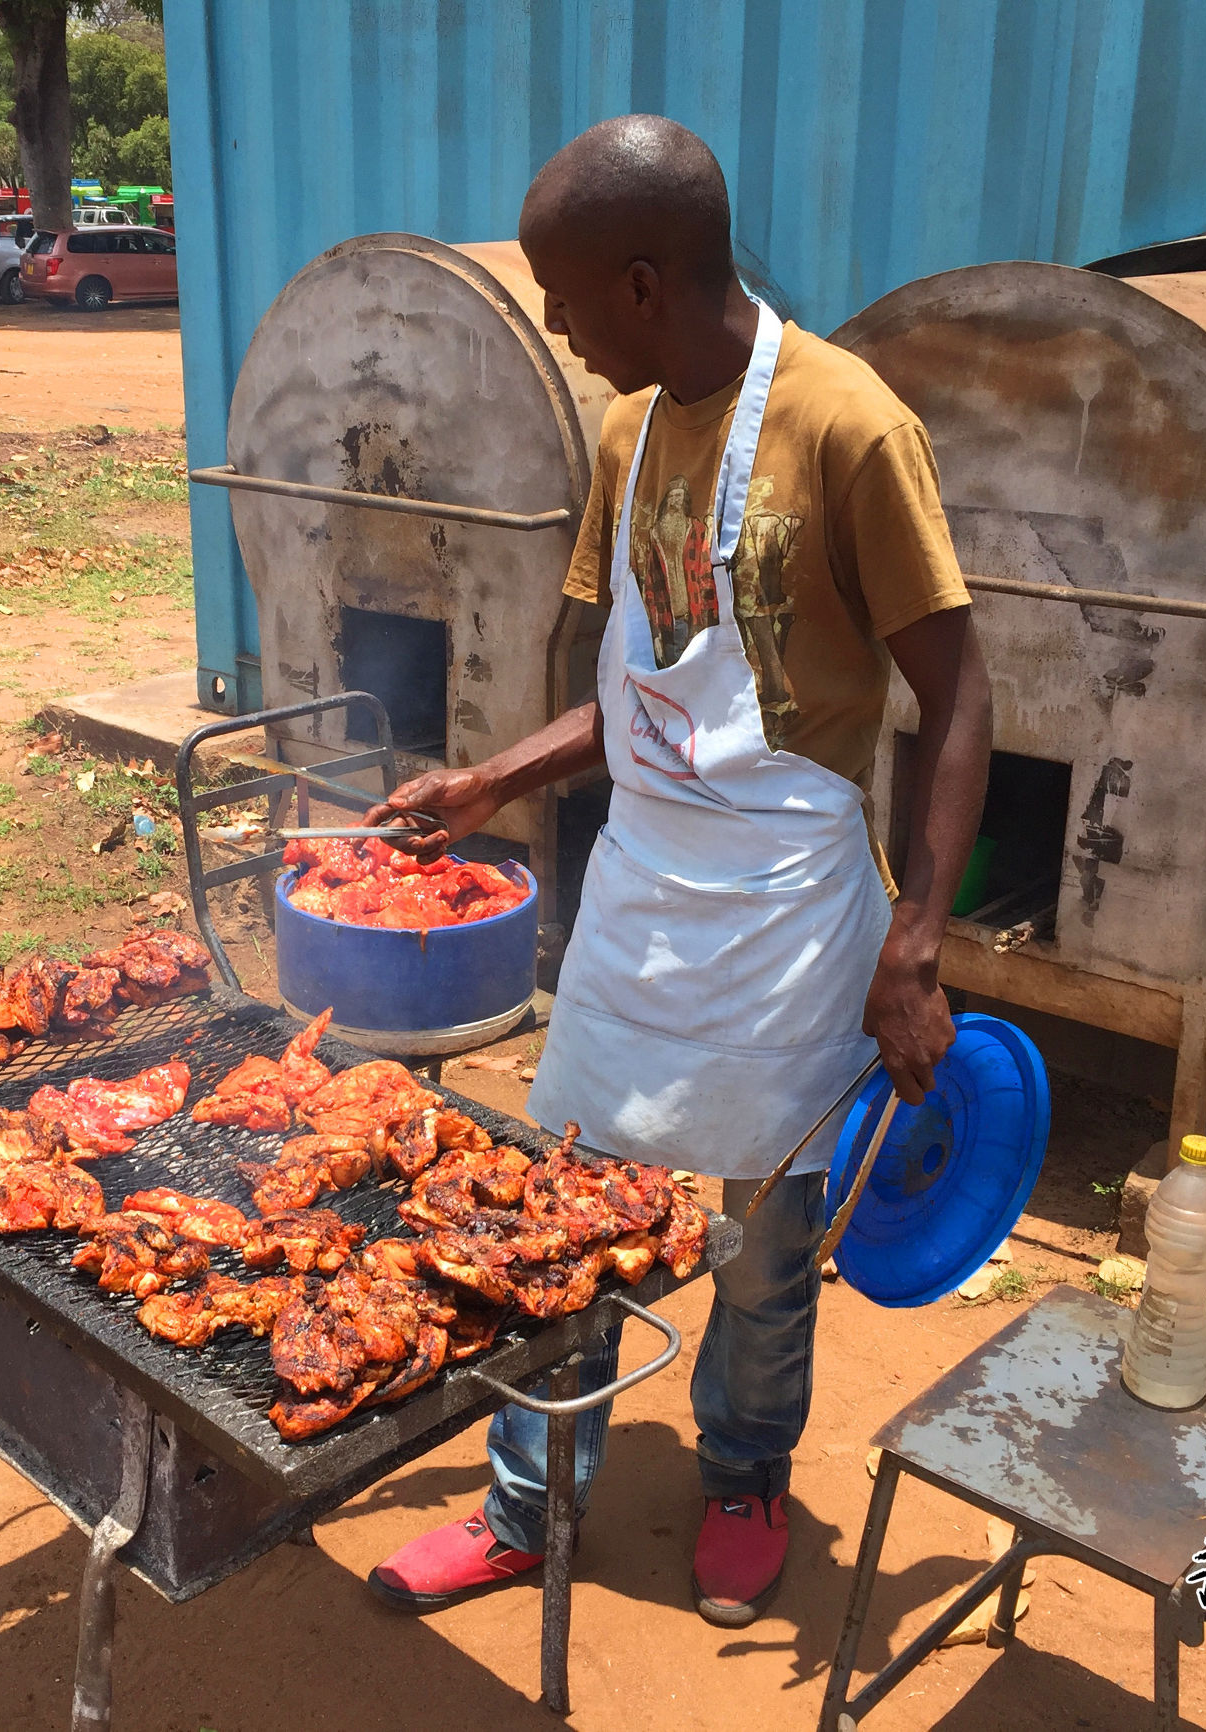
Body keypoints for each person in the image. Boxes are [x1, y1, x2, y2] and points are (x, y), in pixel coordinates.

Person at [362, 115, 992, 1628]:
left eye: (564, 300)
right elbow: (649, 693)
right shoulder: (627, 431)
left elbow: (961, 693)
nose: (559, 330)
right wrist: (491, 781)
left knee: (762, 1246)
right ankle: (523, 1502)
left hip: (786, 910)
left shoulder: (850, 429)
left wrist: (915, 935)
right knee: (551, 1203)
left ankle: (743, 1473)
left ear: (642, 283)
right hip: (643, 890)